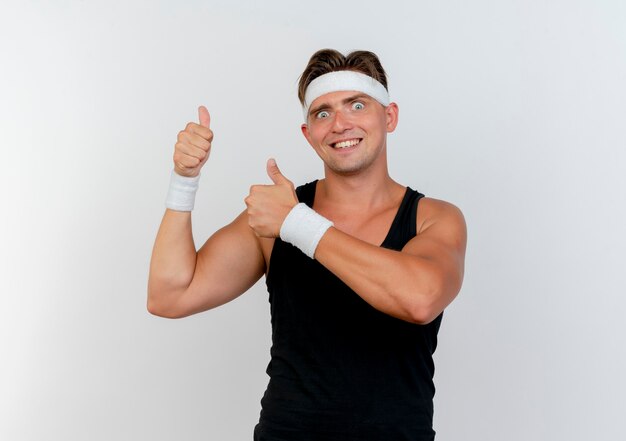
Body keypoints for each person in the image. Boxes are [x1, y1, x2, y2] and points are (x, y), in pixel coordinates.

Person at [148, 49, 467, 441]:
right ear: (308, 135)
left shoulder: (433, 218)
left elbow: (419, 299)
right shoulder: (275, 218)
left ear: (389, 117)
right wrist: (184, 179)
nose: (339, 124)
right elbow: (169, 295)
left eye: (356, 105)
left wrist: (298, 224)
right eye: (322, 112)